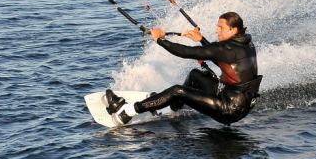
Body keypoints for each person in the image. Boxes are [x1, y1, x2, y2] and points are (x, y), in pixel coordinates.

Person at [105, 12, 261, 125]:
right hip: (241, 104)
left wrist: (160, 40)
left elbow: (186, 52)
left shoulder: (226, 49)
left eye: (220, 28)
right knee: (195, 75)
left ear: (233, 30)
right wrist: (201, 40)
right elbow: (222, 56)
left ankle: (126, 112)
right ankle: (174, 108)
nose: (217, 30)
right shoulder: (246, 43)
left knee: (177, 91)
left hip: (228, 109)